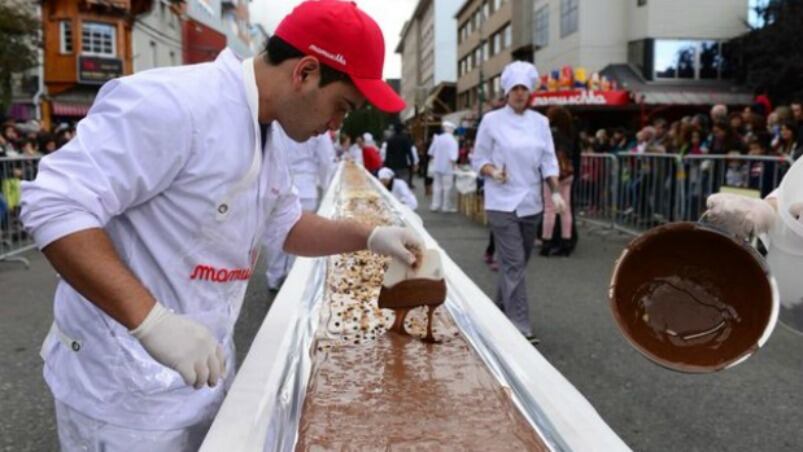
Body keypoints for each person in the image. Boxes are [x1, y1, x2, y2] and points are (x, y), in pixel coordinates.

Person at [19, 2, 423, 450]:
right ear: (305, 72)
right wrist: (150, 321)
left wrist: (367, 236)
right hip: (121, 391)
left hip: (200, 370)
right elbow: (54, 203)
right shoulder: (177, 104)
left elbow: (287, 226)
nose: (336, 125)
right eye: (341, 107)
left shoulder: (268, 134)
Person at [472, 61, 566, 344]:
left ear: (530, 91)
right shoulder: (491, 121)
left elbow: (548, 160)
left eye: (524, 88)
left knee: (518, 264)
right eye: (515, 88)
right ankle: (520, 325)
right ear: (507, 91)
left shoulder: (541, 123)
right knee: (513, 264)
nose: (520, 93)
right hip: (501, 201)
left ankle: (497, 309)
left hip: (531, 203)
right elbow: (479, 159)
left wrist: (556, 191)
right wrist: (493, 172)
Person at [264, 123, 336, 291]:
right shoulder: (321, 123)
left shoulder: (279, 120)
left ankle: (274, 277)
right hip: (306, 187)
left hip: (278, 184)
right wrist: (325, 186)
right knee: (300, 241)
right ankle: (293, 285)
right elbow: (326, 160)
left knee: (274, 234)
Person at [428, 120, 459, 212]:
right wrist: (455, 165)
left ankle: (435, 205)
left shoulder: (437, 139)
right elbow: (453, 157)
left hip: (437, 166)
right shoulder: (453, 141)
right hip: (448, 167)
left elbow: (430, 152)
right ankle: (445, 206)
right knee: (447, 187)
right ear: (451, 130)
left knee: (436, 186)